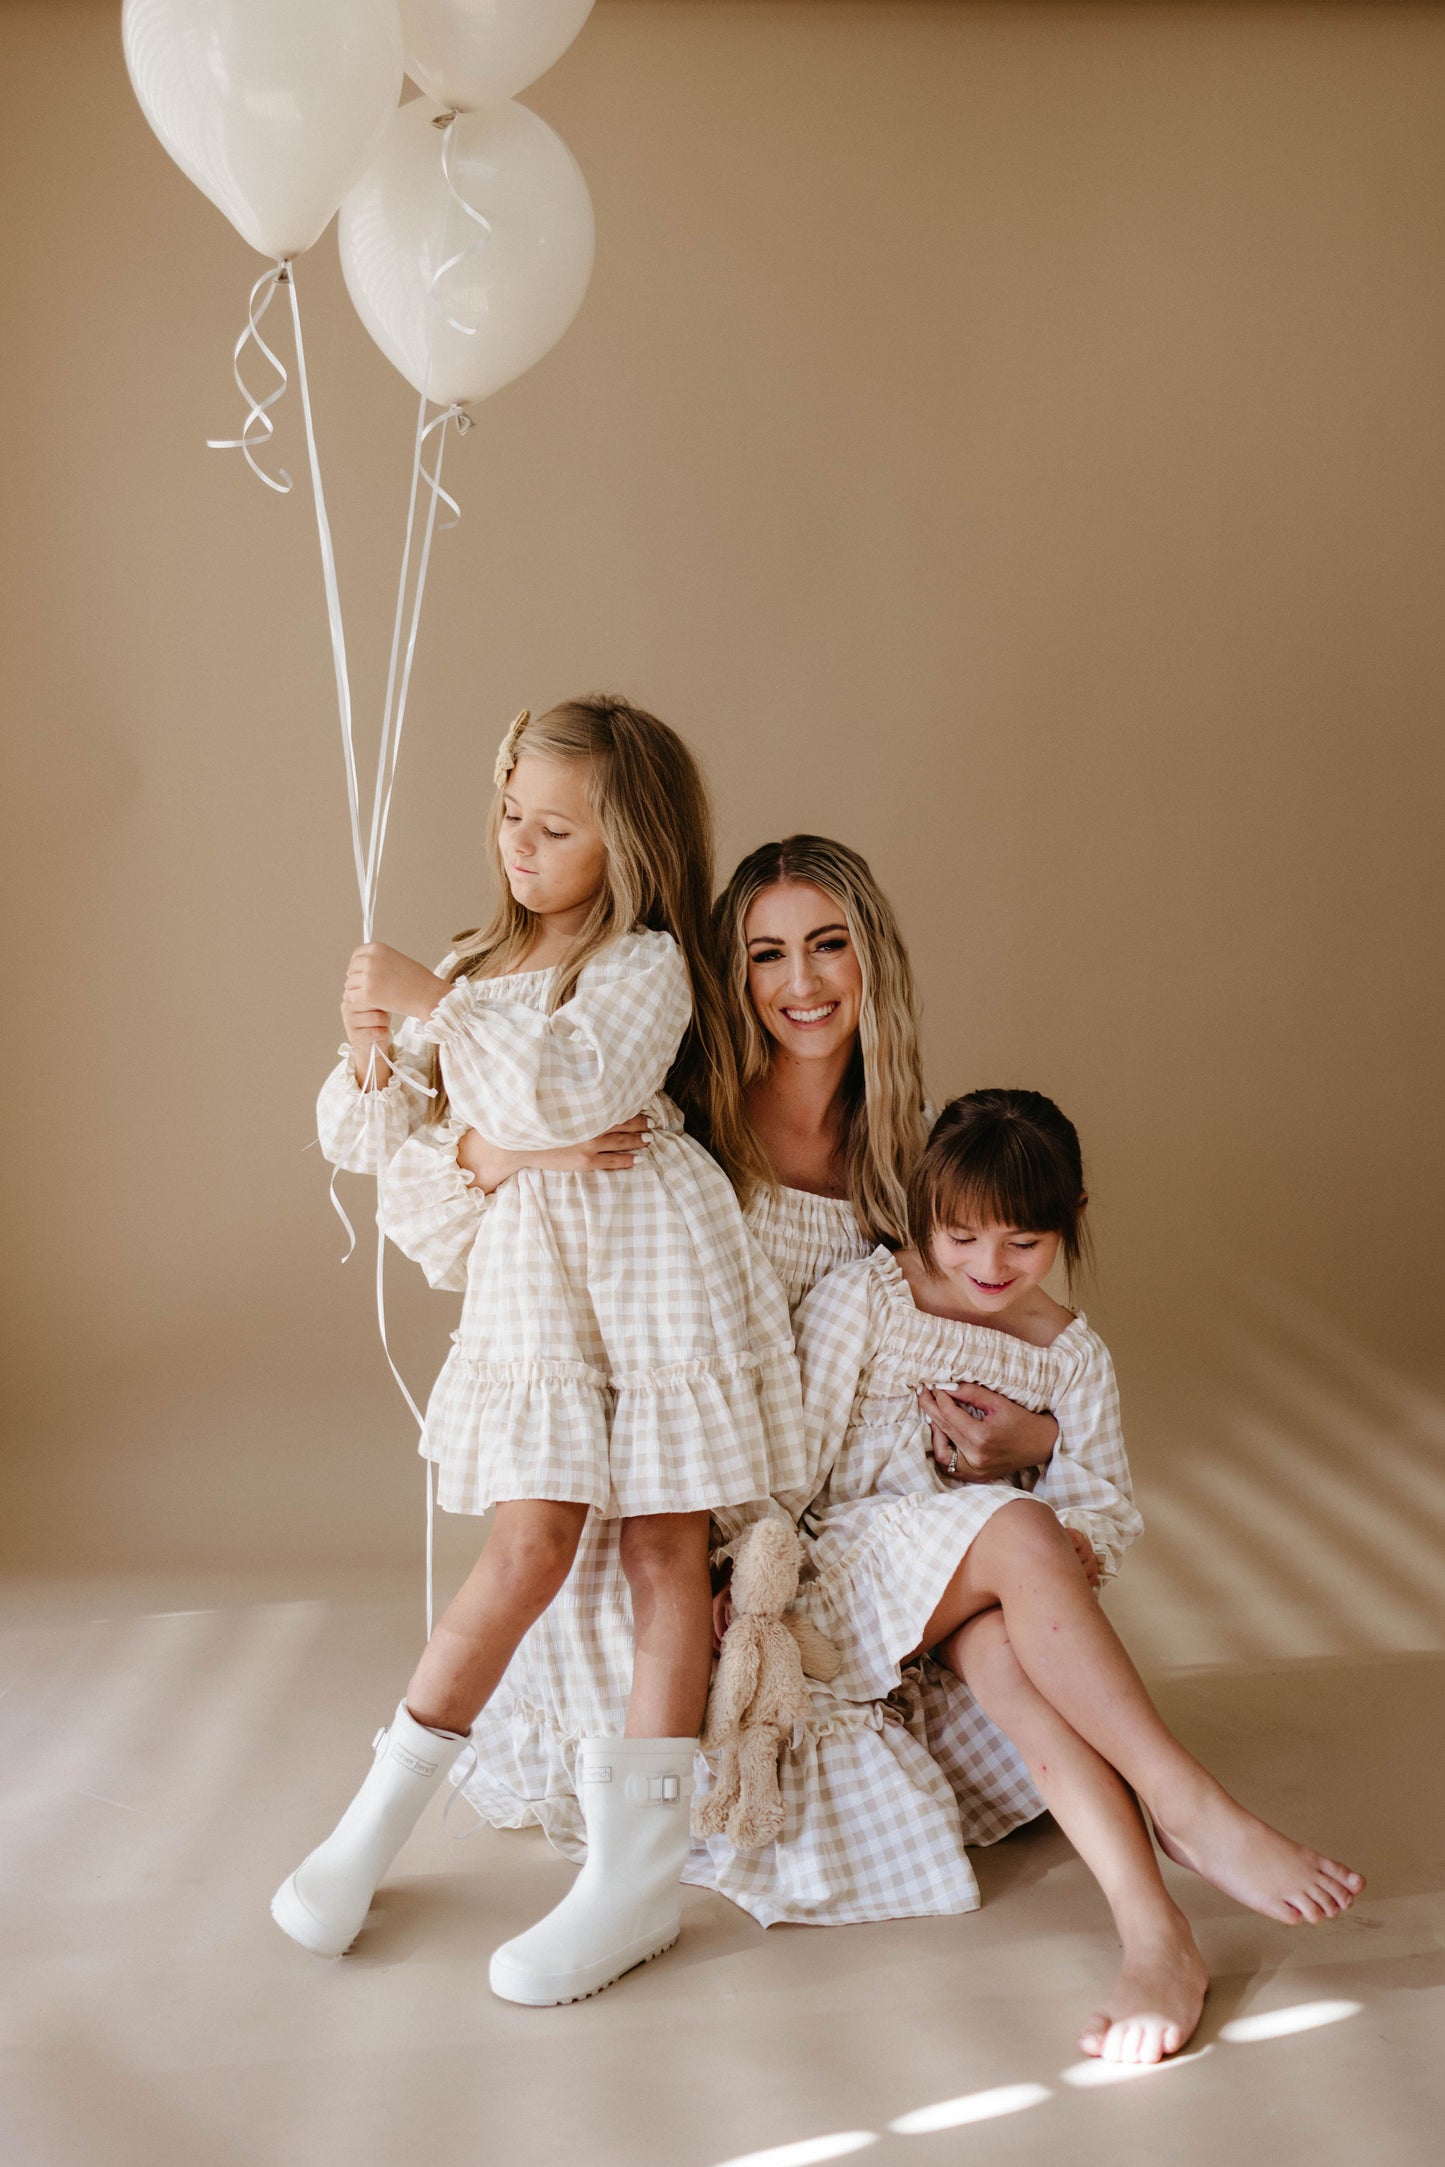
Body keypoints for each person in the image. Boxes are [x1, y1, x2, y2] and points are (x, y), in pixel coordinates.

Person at [271, 698, 806, 2008]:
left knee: (664, 1544)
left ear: (623, 845)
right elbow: (380, 1151)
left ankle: (634, 1880)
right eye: (511, 813)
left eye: (555, 826)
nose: (520, 842)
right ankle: (373, 1822)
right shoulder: (475, 959)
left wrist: (451, 1027)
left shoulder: (644, 964)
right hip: (536, 1289)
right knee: (525, 1544)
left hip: (652, 1273)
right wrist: (397, 1058)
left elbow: (561, 1086)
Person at [398, 837, 1057, 1856]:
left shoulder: (915, 1150)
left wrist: (1038, 1432)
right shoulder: (678, 1130)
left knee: (1005, 1584)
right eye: (764, 954)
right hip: (673, 1501)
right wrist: (504, 1148)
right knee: (667, 1653)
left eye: (827, 945)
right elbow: (443, 1223)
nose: (800, 982)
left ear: (869, 958)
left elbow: (1008, 1329)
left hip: (841, 1497)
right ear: (730, 974)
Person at [714, 1089, 1363, 2064]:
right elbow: (788, 1465)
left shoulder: (1071, 1358)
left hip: (972, 1602)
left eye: (1020, 1243)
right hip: (846, 1572)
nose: (985, 1267)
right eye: (959, 1236)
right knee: (1019, 1527)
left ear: (1070, 1221)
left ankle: (1155, 1937)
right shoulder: (868, 1300)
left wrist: (1046, 1454)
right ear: (922, 1207)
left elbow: (1100, 1512)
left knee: (1016, 1652)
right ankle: (1188, 1806)